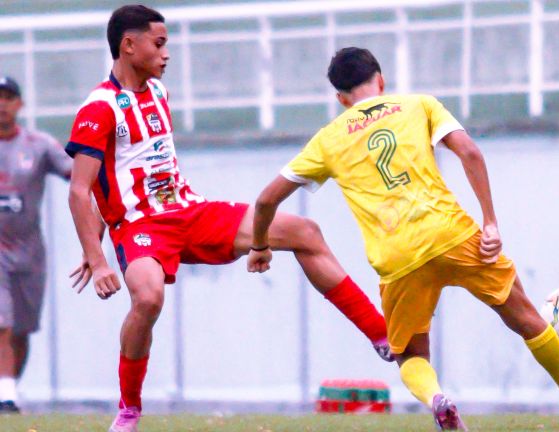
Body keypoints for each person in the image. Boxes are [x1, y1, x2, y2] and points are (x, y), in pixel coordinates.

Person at [247, 47, 559, 430]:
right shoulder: (419, 105)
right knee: (524, 317)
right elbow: (468, 151)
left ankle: (437, 398)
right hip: (451, 233)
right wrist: (490, 222)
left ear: (341, 99)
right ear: (381, 80)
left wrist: (259, 246)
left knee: (410, 355)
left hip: (396, 256)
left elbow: (266, 200)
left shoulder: (326, 140)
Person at [66, 7, 389, 432]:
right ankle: (129, 409)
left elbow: (124, 169)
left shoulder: (159, 93)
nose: (166, 54)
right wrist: (98, 254)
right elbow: (81, 189)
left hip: (190, 211)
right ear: (129, 45)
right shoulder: (99, 107)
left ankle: (381, 334)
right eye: (159, 44)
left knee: (305, 232)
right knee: (147, 298)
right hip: (141, 227)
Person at [0, 76, 72, 413]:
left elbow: (76, 174)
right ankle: (6, 395)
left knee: (21, 330)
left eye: (8, 97)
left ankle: (8, 388)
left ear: (20, 104)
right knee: (2, 320)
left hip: (28, 252)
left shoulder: (38, 145)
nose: (2, 104)